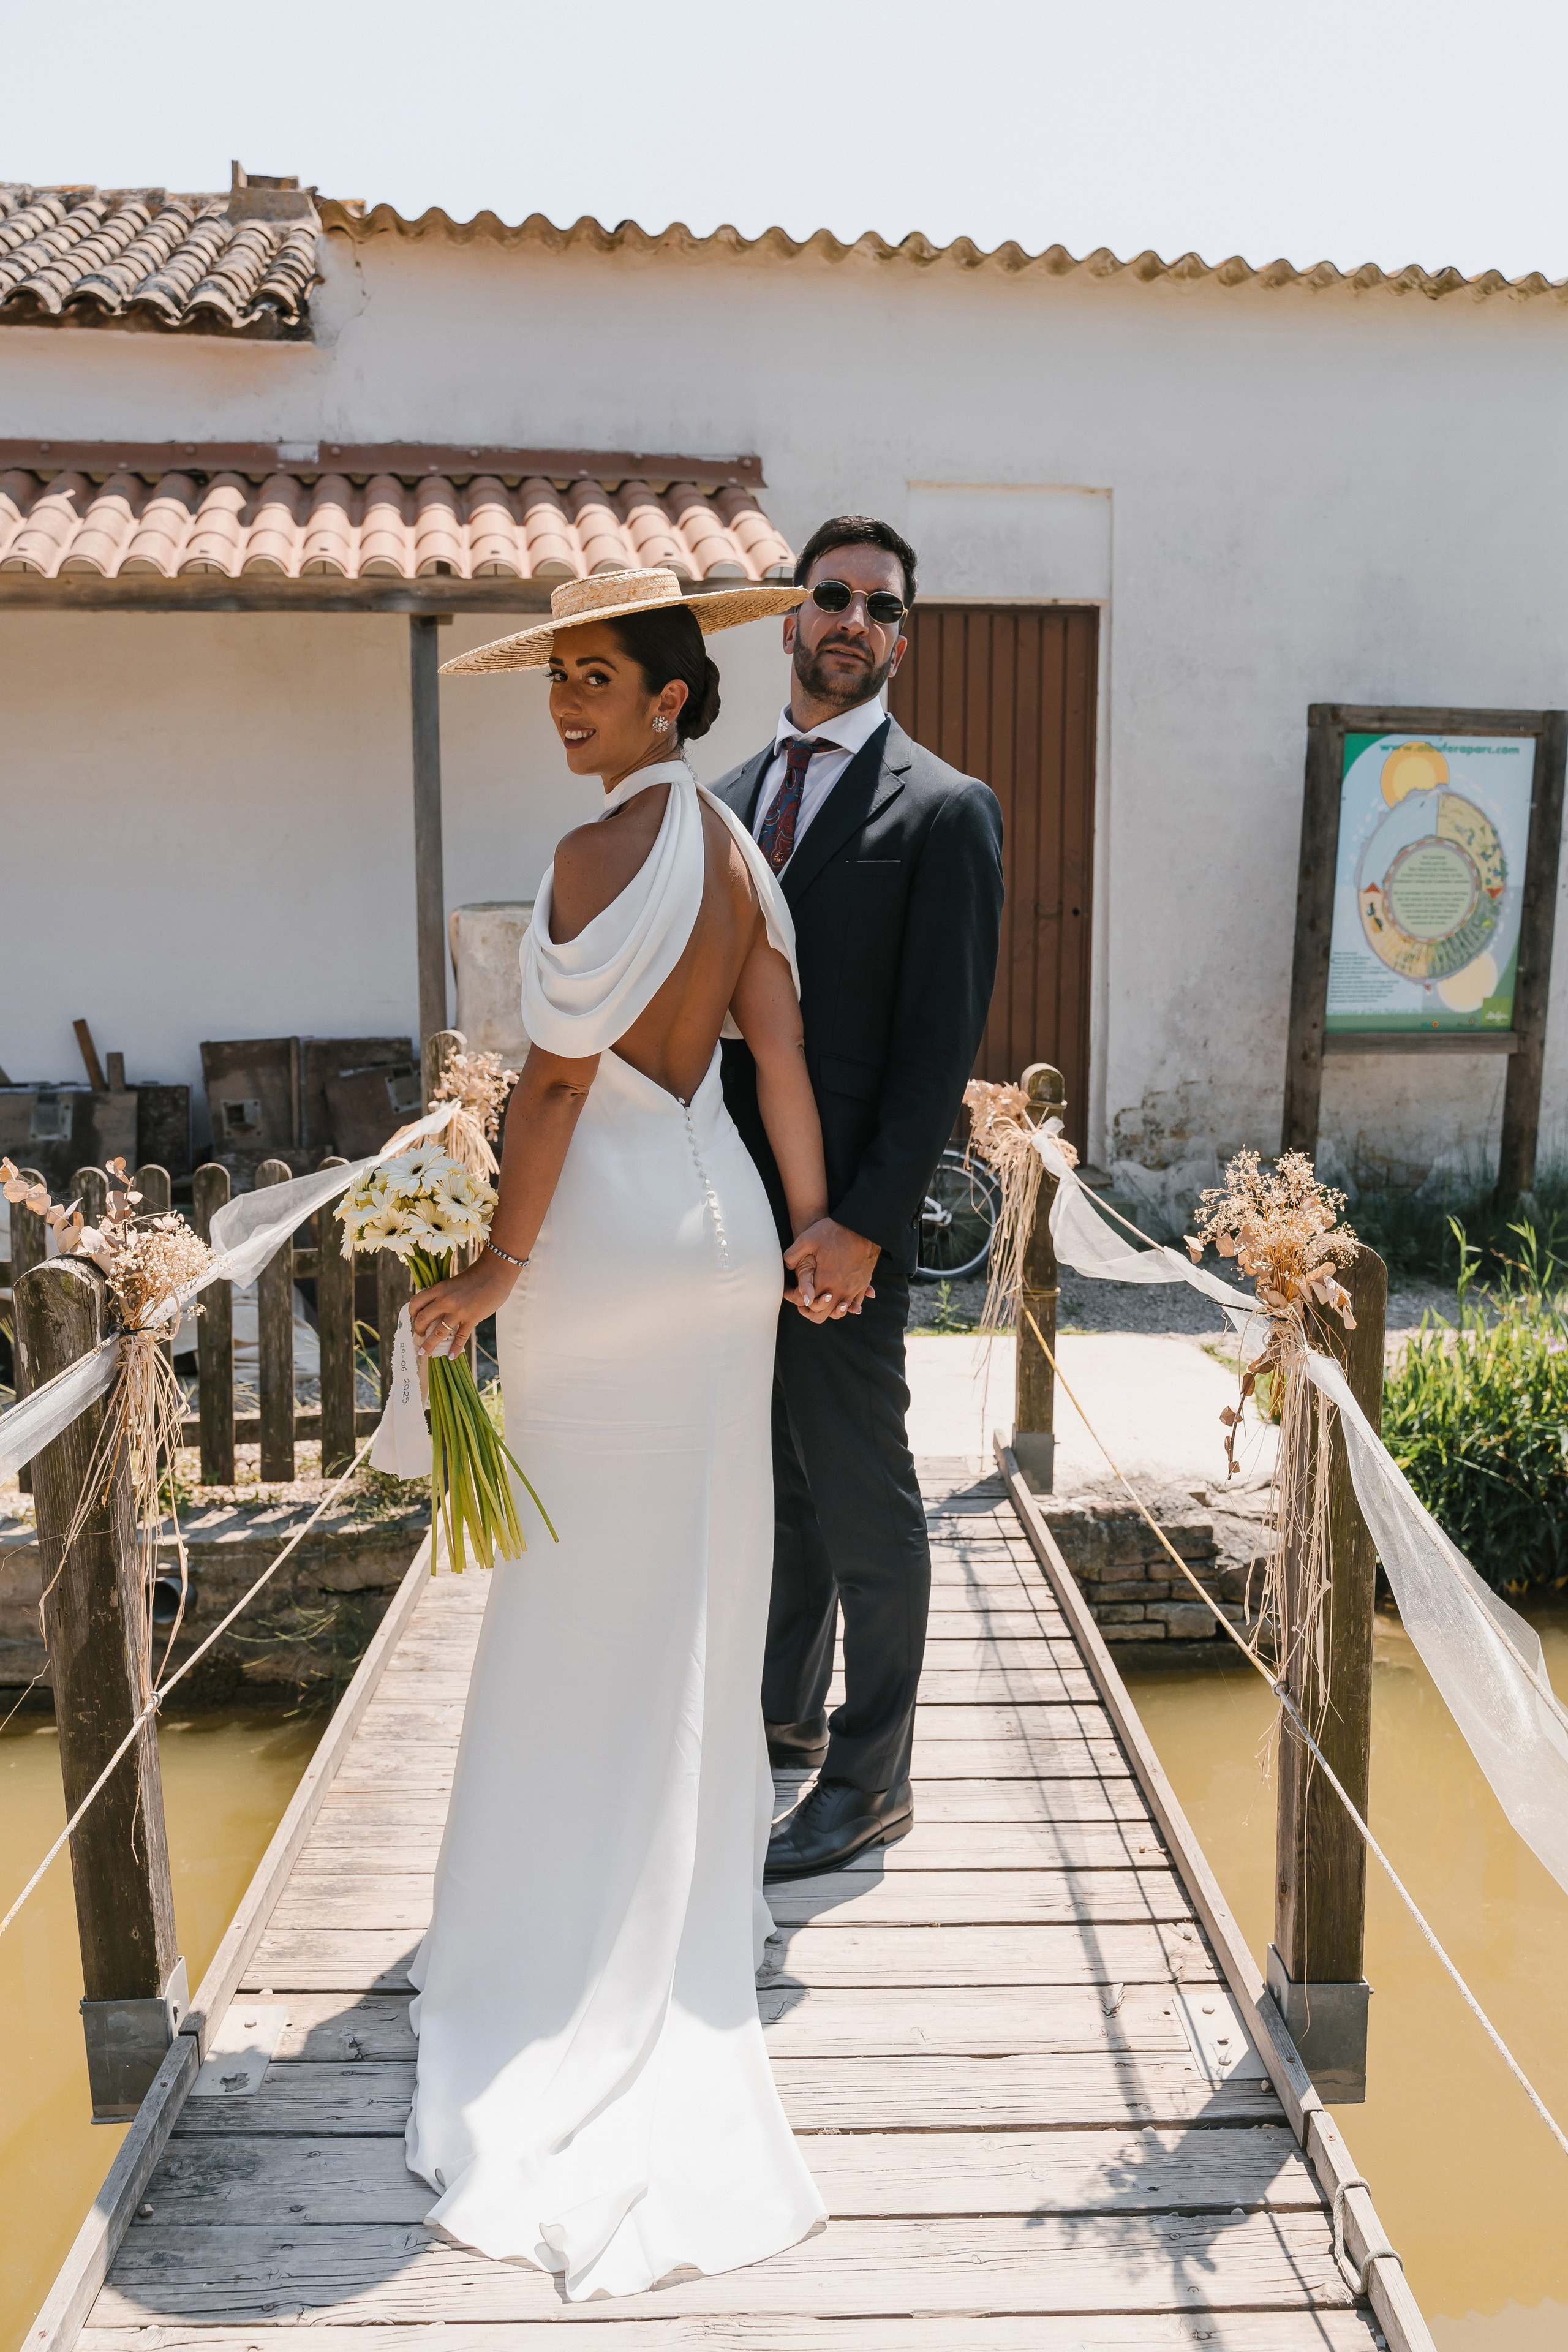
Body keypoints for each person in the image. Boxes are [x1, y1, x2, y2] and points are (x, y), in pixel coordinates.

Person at [401, 567, 829, 2299]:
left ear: (672, 695)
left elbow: (560, 1083)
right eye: (556, 678)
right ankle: (677, 1900)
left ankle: (556, 1931)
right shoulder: (746, 858)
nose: (569, 704)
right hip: (727, 1237)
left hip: (610, 1245)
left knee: (578, 1591)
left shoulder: (598, 857)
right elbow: (779, 1058)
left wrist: (498, 1265)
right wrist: (813, 1236)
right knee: (700, 1589)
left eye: (600, 678)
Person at [715, 516, 1005, 1882]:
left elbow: (936, 1049)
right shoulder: (716, 800)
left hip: (844, 1229)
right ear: (788, 619)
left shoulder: (944, 810)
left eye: (876, 606)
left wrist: (866, 1227)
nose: (849, 620)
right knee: (769, 1480)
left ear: (900, 635)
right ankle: (778, 1712)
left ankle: (870, 1776)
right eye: (826, 596)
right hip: (717, 1209)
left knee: (863, 1493)